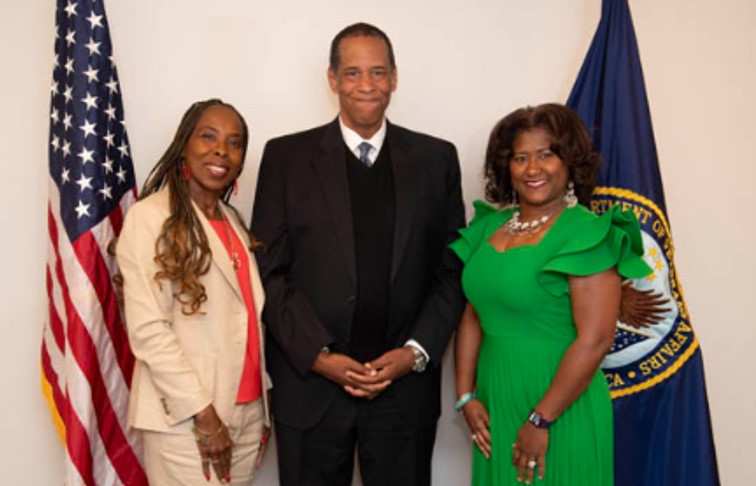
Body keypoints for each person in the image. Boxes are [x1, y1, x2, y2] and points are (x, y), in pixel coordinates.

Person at [251, 22, 465, 486]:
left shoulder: (436, 160)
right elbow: (269, 271)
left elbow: (451, 273)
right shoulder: (286, 158)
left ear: (394, 77)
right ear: (332, 79)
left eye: (377, 72)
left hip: (403, 389)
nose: (366, 85)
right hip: (310, 388)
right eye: (352, 73)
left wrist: (414, 353)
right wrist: (319, 356)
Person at [452, 103, 652, 486]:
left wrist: (541, 418)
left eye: (546, 154)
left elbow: (596, 340)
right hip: (497, 402)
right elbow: (473, 313)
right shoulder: (488, 228)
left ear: (569, 161)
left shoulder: (587, 233)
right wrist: (465, 396)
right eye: (520, 157)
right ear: (506, 166)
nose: (533, 169)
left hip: (558, 408)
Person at [116, 99, 271, 486]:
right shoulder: (150, 218)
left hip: (246, 413)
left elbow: (246, 323)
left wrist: (257, 412)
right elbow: (149, 331)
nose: (222, 150)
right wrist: (206, 417)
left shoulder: (234, 222)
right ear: (184, 145)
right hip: (188, 420)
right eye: (208, 137)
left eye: (234, 143)